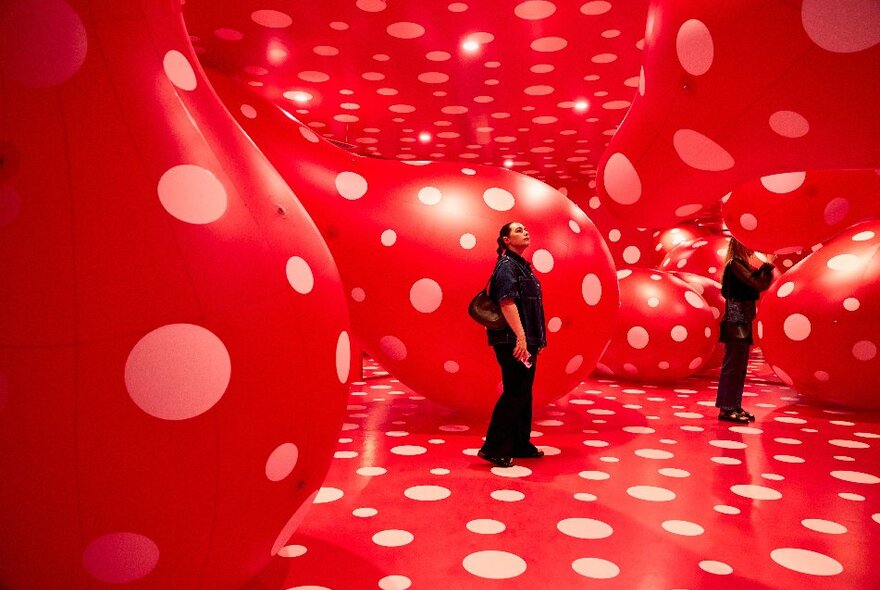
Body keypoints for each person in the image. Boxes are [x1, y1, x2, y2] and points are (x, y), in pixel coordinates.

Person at [478, 222, 547, 468]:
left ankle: (519, 444)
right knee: (515, 392)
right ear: (506, 240)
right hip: (513, 341)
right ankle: (494, 448)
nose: (525, 232)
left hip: (525, 340)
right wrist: (521, 338)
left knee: (522, 393)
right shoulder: (507, 266)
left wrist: (532, 340)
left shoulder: (521, 267)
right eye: (518, 230)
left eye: (526, 229)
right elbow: (507, 302)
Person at [715, 237, 775, 423]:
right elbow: (757, 284)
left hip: (741, 319)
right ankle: (727, 407)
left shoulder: (740, 264)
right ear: (740, 244)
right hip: (736, 319)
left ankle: (733, 404)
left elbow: (760, 283)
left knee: (739, 366)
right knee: (733, 365)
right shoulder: (735, 264)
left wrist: (766, 267)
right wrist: (767, 265)